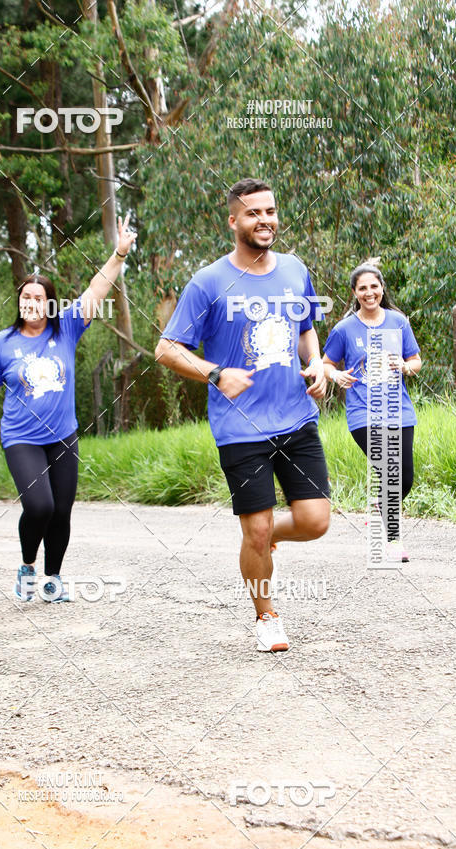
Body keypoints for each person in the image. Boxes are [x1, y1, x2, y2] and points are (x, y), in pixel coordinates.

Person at [155, 178, 330, 653]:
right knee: (255, 529)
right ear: (233, 221)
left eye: (269, 211)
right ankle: (266, 616)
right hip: (240, 427)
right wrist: (215, 373)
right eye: (252, 213)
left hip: (296, 417)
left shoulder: (295, 270)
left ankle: (264, 538)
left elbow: (306, 326)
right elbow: (166, 349)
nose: (264, 220)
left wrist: (314, 361)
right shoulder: (209, 282)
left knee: (315, 521)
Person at [0, 215, 137, 602]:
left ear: (49, 303)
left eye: (38, 298)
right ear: (19, 302)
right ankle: (27, 568)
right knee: (40, 506)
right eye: (25, 297)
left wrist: (118, 254)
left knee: (61, 512)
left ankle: (52, 579)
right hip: (20, 439)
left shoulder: (66, 327)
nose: (30, 303)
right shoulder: (2, 343)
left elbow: (97, 289)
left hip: (63, 437)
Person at [322, 260, 421, 562]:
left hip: (399, 410)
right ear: (354, 292)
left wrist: (405, 366)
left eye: (374, 286)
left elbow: (416, 361)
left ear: (381, 289)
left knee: (405, 479)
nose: (369, 292)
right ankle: (392, 540)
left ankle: (379, 504)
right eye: (362, 288)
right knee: (391, 472)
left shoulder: (398, 322)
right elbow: (326, 364)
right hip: (363, 413)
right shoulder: (344, 329)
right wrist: (335, 376)